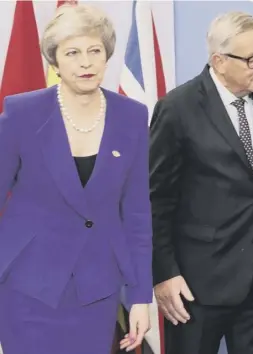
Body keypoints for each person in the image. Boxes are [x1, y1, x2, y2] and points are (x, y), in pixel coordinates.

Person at [0, 4, 152, 354]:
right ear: (55, 61)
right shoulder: (23, 112)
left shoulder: (131, 116)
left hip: (95, 289)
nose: (86, 62)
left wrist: (141, 297)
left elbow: (137, 216)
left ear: (106, 55)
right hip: (27, 285)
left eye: (94, 51)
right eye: (73, 53)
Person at [150, 11, 253, 354]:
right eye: (252, 59)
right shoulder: (177, 108)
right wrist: (164, 273)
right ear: (219, 61)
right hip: (197, 285)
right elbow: (156, 198)